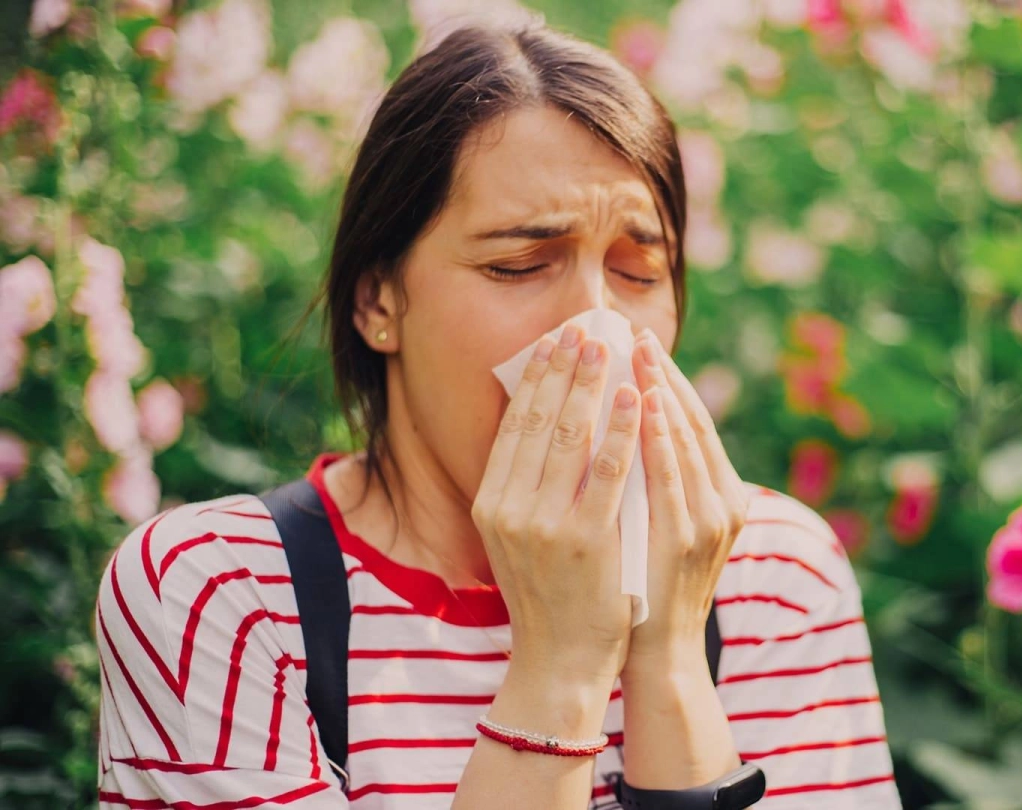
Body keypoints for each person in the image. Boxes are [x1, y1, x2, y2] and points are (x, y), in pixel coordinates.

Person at [94, 17, 901, 810]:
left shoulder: (774, 578)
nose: (598, 328)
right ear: (379, 298)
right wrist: (560, 667)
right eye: (519, 265)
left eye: (638, 271)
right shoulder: (224, 597)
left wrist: (672, 663)